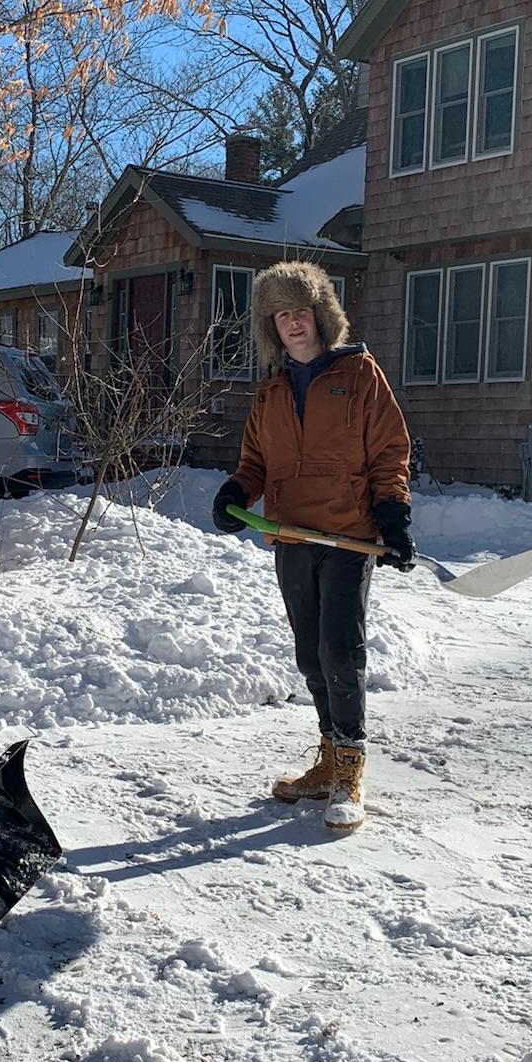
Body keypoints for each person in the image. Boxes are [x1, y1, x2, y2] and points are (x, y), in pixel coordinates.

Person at [211, 260, 414, 832]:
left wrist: (393, 517)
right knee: (309, 653)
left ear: (321, 316)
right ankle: (326, 760)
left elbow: (388, 452)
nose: (292, 324)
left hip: (348, 534)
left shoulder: (360, 374)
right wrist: (236, 490)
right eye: (280, 316)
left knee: (339, 653)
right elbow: (255, 461)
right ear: (270, 326)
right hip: (293, 535)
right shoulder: (271, 391)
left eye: (300, 312)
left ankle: (350, 767)